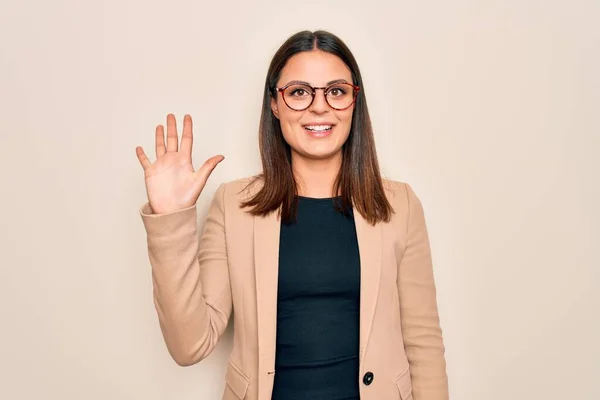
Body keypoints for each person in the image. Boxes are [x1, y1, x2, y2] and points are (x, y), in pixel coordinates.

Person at [136, 30, 448, 400]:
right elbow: (190, 346)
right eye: (299, 92)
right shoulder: (233, 204)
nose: (320, 107)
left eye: (336, 91)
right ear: (275, 104)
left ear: (354, 102)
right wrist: (171, 219)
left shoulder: (400, 205)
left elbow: (423, 342)